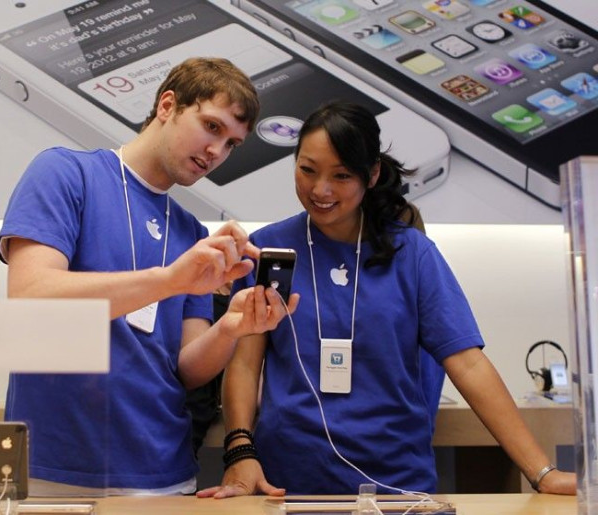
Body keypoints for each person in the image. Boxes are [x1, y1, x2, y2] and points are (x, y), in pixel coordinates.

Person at [197, 101, 576, 498]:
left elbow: (468, 363)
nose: (320, 189)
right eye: (307, 169)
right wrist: (240, 451)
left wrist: (542, 472)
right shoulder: (269, 248)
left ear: (372, 174)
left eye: (341, 176)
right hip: (286, 486)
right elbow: (244, 363)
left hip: (397, 488)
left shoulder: (412, 255)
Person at [0, 57, 298, 496]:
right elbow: (30, 297)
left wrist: (232, 327)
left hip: (163, 471)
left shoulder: (192, 232)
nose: (217, 152)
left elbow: (186, 369)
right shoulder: (66, 173)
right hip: (54, 466)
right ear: (167, 105)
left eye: (231, 143)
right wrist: (170, 279)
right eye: (211, 127)